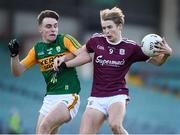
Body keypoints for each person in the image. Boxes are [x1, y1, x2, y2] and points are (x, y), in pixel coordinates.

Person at [53, 7, 172, 134]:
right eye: (104, 28)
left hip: (117, 95)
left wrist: (167, 54)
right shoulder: (96, 40)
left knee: (115, 125)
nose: (106, 31)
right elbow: (79, 52)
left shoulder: (131, 48)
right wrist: (63, 58)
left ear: (119, 26)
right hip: (97, 97)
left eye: (110, 27)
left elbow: (158, 62)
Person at [8, 10, 91, 134]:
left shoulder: (65, 40)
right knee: (44, 132)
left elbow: (86, 57)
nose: (53, 29)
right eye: (48, 26)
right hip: (50, 98)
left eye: (55, 26)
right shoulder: (37, 50)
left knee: (44, 127)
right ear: (40, 29)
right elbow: (17, 71)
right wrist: (14, 56)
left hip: (68, 95)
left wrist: (65, 63)